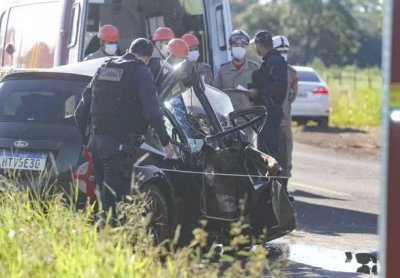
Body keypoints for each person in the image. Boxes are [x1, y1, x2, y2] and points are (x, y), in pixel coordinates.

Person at [75, 38, 174, 224]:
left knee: (103, 198)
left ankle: (99, 243)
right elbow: (152, 113)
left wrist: (86, 141)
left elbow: (80, 111)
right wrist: (165, 141)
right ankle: (110, 246)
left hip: (96, 142)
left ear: (129, 50)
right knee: (114, 203)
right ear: (147, 58)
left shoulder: (105, 68)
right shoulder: (141, 72)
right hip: (118, 146)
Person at [249, 30, 288, 173]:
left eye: (256, 45)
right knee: (264, 150)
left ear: (259, 44)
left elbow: (280, 85)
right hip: (265, 112)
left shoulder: (275, 61)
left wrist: (260, 91)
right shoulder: (267, 62)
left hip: (271, 112)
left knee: (271, 151)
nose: (255, 48)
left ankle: (279, 185)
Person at [273, 35, 298, 201]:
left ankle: (284, 189)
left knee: (286, 156)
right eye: (279, 51)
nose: (283, 54)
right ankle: (271, 190)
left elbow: (293, 95)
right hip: (269, 122)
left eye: (285, 51)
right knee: (268, 156)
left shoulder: (292, 72)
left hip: (285, 121)